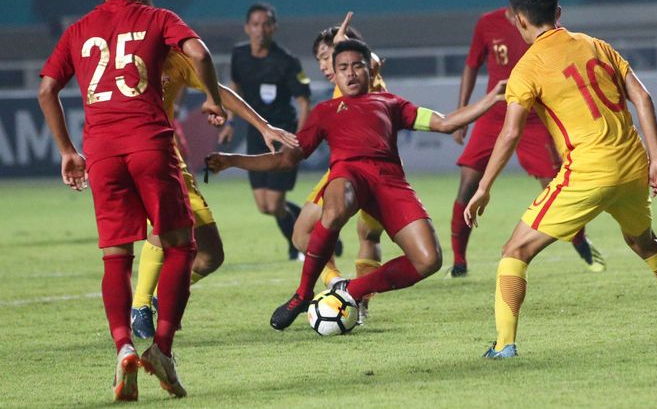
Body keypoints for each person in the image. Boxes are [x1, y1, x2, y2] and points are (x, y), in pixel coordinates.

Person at [463, 0, 657, 359]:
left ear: (518, 20)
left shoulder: (526, 69)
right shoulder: (597, 45)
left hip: (588, 171)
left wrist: (484, 188)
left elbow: (510, 133)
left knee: (515, 250)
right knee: (644, 242)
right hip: (632, 165)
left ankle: (503, 344)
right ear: (558, 13)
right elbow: (643, 98)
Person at [207, 39, 506, 331]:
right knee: (335, 207)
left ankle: (351, 290)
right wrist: (234, 160)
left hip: (390, 182)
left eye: (357, 66)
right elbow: (285, 160)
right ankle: (302, 294)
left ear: (371, 71)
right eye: (343, 68)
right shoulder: (325, 111)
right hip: (349, 174)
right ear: (334, 75)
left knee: (429, 260)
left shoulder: (391, 104)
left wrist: (491, 98)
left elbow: (446, 122)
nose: (351, 73)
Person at [37, 0, 226, 400]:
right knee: (181, 244)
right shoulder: (157, 17)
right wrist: (214, 100)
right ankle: (161, 346)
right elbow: (198, 54)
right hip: (149, 144)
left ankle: (123, 345)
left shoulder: (78, 29)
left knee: (116, 256)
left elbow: (47, 90)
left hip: (100, 150)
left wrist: (66, 150)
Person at [449, 0, 605, 277]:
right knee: (467, 182)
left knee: (555, 183)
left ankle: (581, 242)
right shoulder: (487, 24)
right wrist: (463, 112)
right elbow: (471, 65)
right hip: (493, 115)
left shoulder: (544, 26)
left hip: (534, 116)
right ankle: (459, 262)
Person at [130, 47, 299, 339]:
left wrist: (263, 126)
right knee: (164, 219)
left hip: (167, 153)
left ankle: (160, 296)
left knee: (211, 255)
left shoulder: (174, 58)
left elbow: (218, 90)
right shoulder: (116, 59)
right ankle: (140, 307)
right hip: (132, 152)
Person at [291, 15, 388, 323]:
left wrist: (341, 43)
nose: (323, 65)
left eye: (326, 57)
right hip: (373, 171)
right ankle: (347, 293)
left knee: (307, 233)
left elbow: (369, 58)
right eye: (320, 59)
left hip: (355, 171)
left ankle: (342, 288)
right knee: (365, 236)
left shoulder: (365, 75)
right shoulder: (353, 82)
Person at [220, 2, 311, 260]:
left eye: (266, 24)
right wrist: (229, 122)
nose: (261, 29)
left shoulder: (288, 61)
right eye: (256, 24)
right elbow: (233, 89)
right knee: (264, 206)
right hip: (256, 136)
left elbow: (304, 103)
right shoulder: (239, 55)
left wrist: (297, 140)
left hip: (283, 138)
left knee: (274, 204)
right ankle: (306, 221)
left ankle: (299, 246)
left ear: (274, 28)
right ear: (247, 28)